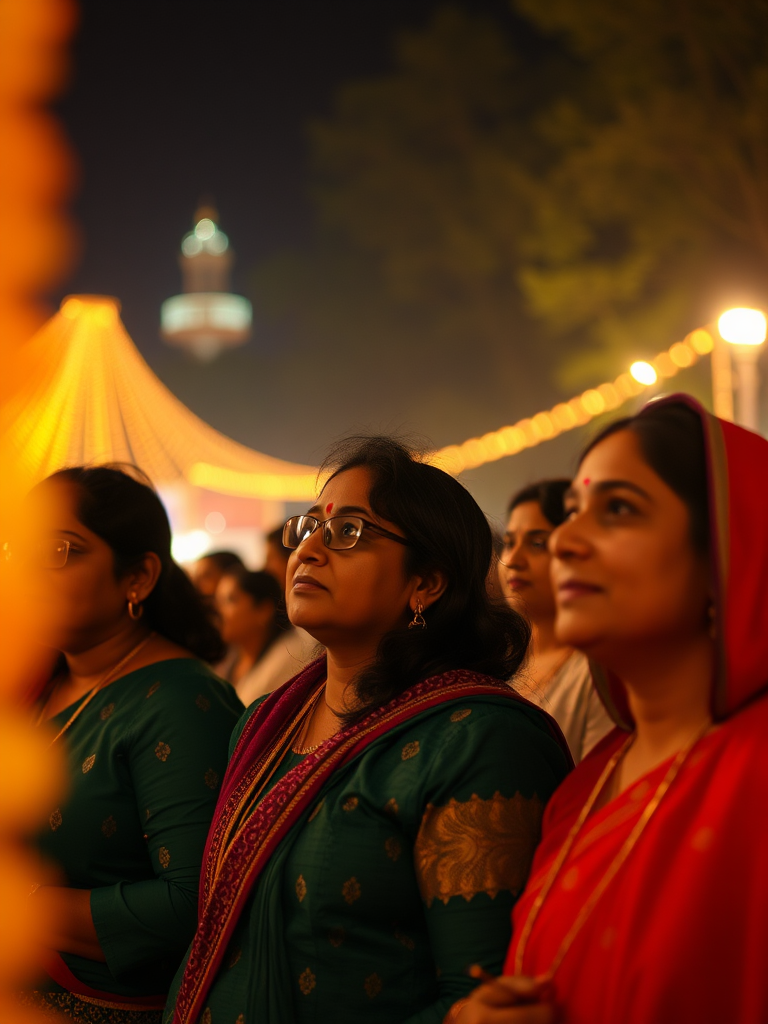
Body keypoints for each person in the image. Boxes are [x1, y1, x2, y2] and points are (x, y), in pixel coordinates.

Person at [165, 437, 572, 1024]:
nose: (309, 549)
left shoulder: (476, 739)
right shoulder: (264, 724)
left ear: (426, 583)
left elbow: (477, 1000)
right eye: (308, 527)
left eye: (348, 532)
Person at [460, 395, 768, 1024]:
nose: (568, 541)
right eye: (572, 512)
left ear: (728, 552)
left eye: (618, 509)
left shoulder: (756, 775)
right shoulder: (586, 784)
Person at [19, 466, 243, 1023]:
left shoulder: (180, 701)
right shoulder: (37, 683)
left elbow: (192, 903)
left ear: (138, 576)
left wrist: (23, 907)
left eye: (58, 549)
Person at [498, 480, 612, 762]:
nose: (513, 559)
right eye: (509, 543)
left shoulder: (598, 672)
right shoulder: (495, 662)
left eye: (537, 543)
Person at [215, 567, 316, 706]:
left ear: (263, 610)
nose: (218, 611)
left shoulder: (290, 656)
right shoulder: (230, 657)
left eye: (231, 600)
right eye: (218, 602)